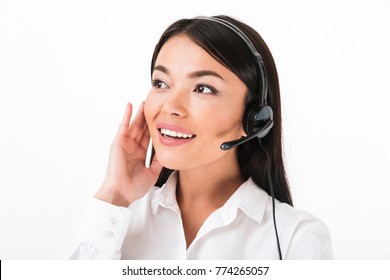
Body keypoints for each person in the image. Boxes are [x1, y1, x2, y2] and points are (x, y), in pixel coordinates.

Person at [68, 15, 333, 260]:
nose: (171, 106)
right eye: (161, 83)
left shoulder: (296, 238)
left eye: (203, 88)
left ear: (254, 119)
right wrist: (114, 195)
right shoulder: (115, 220)